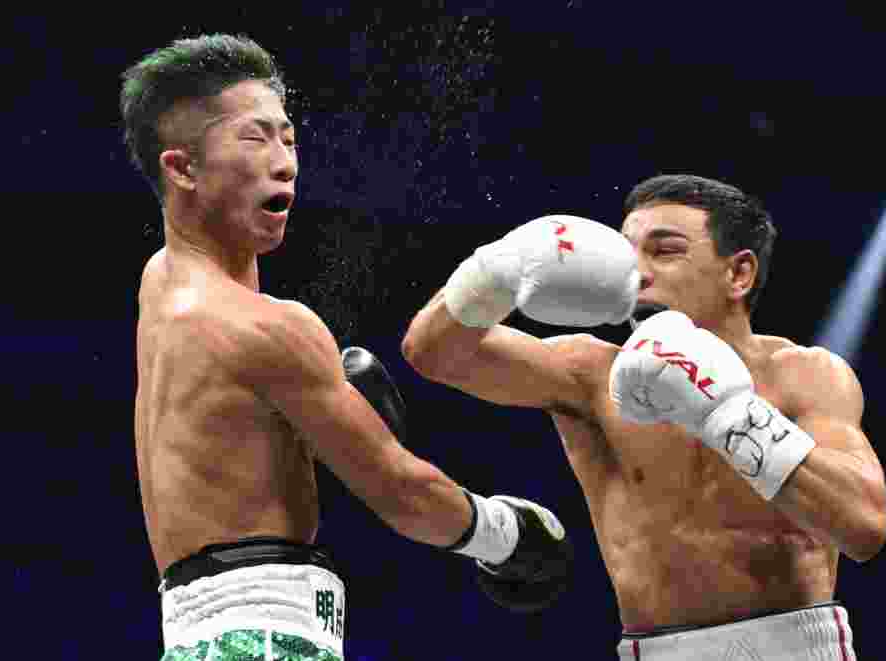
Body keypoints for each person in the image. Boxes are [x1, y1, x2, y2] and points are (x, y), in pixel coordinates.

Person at [122, 33, 572, 661]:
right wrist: (509, 537)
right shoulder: (270, 326)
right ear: (182, 167)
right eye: (254, 138)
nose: (285, 161)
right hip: (270, 642)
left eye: (288, 136)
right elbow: (401, 493)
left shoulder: (160, 283)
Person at [402, 174, 886, 660]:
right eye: (628, 253)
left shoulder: (806, 376)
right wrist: (497, 269)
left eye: (665, 250)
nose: (637, 272)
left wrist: (729, 411)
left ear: (738, 274)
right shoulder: (590, 374)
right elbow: (432, 352)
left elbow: (864, 526)